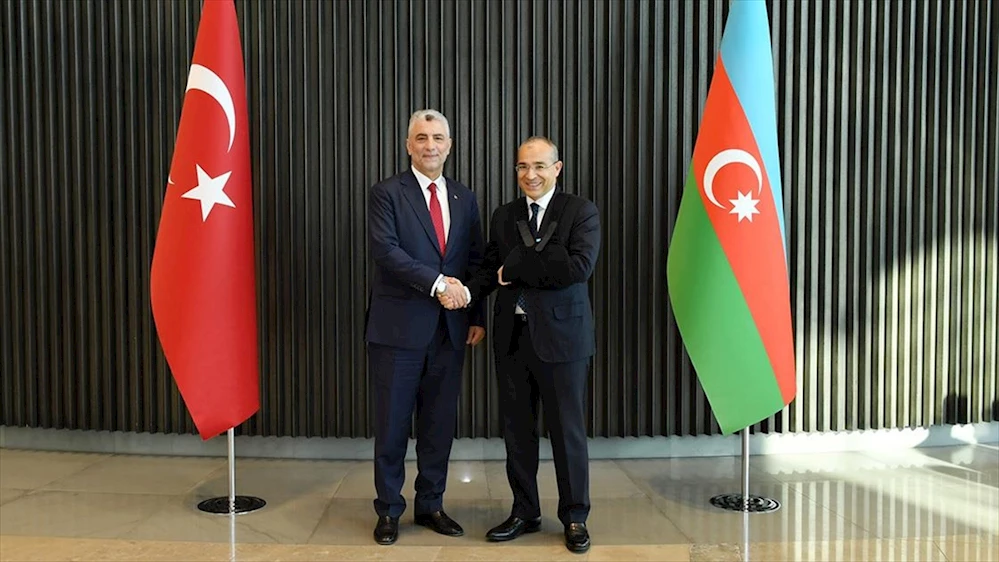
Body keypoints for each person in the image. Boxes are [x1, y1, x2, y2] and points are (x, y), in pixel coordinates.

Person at [442, 136, 600, 553]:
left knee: (567, 432)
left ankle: (575, 516)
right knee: (516, 431)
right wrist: (463, 292)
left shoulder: (580, 211)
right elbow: (489, 269)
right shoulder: (505, 215)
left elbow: (577, 268)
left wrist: (514, 268)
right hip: (512, 339)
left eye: (539, 166)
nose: (530, 175)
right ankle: (524, 511)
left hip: (564, 341)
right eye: (522, 167)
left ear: (557, 168)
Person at [365, 109, 486, 545]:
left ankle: (431, 504)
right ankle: (389, 510)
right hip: (397, 332)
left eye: (437, 138)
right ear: (408, 145)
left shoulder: (464, 198)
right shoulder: (386, 193)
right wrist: (438, 285)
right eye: (421, 137)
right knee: (392, 426)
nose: (429, 145)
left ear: (449, 146)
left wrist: (475, 314)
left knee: (438, 426)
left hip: (450, 331)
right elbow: (386, 251)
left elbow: (475, 260)